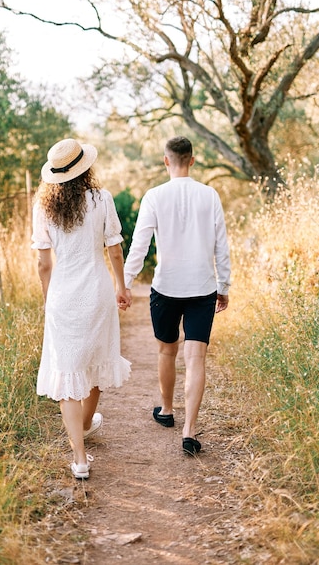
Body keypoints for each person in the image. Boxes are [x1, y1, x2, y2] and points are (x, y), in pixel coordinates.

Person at [124, 136, 231, 455]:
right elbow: (221, 246)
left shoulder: (154, 196)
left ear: (166, 160)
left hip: (166, 288)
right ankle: (190, 431)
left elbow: (140, 245)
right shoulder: (209, 195)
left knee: (167, 352)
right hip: (202, 288)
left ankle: (167, 411)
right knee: (196, 358)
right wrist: (223, 287)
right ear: (193, 160)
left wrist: (126, 283)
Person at [31, 138, 131, 479]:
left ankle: (80, 458)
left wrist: (49, 298)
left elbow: (43, 264)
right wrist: (121, 286)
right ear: (85, 168)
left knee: (68, 370)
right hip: (97, 291)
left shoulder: (43, 206)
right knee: (95, 361)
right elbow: (114, 249)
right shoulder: (101, 199)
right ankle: (87, 422)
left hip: (63, 294)